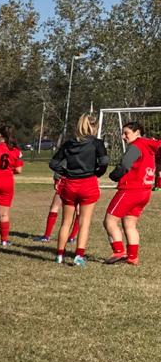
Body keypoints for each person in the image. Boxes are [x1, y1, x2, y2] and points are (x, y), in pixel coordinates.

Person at [49, 114, 109, 266]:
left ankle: (59, 255)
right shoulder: (97, 143)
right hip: (88, 183)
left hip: (70, 184)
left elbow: (54, 163)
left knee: (66, 222)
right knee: (84, 222)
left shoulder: (69, 143)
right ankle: (78, 256)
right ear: (94, 127)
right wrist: (97, 172)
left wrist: (65, 173)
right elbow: (104, 161)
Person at [104, 120, 159, 266]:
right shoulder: (149, 147)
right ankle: (133, 257)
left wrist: (114, 175)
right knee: (130, 224)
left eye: (126, 133)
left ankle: (118, 251)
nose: (123, 136)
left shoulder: (136, 146)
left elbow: (125, 164)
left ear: (137, 133)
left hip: (130, 190)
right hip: (145, 192)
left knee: (109, 221)